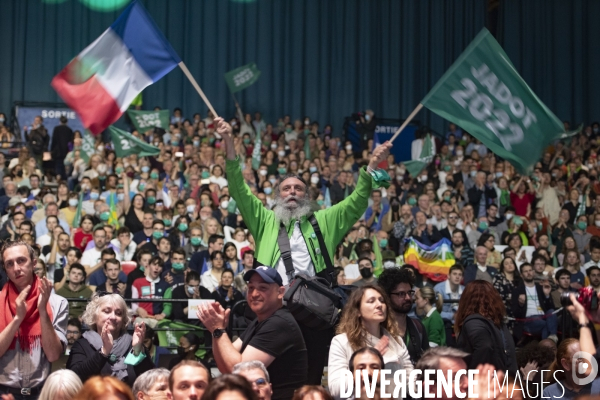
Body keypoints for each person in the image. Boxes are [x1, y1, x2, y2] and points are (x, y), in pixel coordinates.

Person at [219, 116, 392, 384]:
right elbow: (239, 189)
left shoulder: (325, 220)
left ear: (306, 196)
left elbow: (356, 202)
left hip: (314, 312)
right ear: (277, 195)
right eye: (286, 188)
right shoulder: (264, 219)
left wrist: (370, 167)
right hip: (273, 308)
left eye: (298, 188)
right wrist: (229, 142)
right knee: (261, 376)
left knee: (308, 376)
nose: (291, 192)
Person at [197, 266, 308, 400]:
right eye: (251, 288)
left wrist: (218, 330)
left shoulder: (279, 324)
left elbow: (239, 372)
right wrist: (216, 330)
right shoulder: (261, 321)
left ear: (280, 292)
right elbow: (224, 365)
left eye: (263, 288)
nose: (254, 294)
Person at [0, 240, 67, 399]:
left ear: (34, 263)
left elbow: (53, 355)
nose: (16, 268)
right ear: (5, 270)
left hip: (40, 393)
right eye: (9, 264)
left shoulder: (57, 303)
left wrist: (43, 311)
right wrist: (18, 319)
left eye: (21, 260)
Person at [328, 285, 413, 399]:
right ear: (357, 311)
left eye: (382, 301)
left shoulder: (396, 341)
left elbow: (412, 384)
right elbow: (335, 389)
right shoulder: (341, 342)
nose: (379, 305)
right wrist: (370, 359)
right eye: (371, 301)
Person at [66, 293, 154, 386]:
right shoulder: (82, 345)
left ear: (124, 320)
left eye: (118, 313)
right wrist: (103, 352)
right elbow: (74, 379)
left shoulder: (132, 344)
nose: (113, 317)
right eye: (107, 311)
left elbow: (150, 381)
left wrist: (137, 350)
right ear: (94, 316)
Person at [454, 280, 517, 374]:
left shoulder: (474, 322)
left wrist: (472, 375)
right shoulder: (498, 323)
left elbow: (484, 347)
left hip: (486, 382)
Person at [377, 267, 429, 365]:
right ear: (387, 296)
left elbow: (428, 362)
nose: (408, 298)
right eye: (401, 294)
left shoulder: (417, 327)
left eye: (410, 293)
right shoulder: (377, 327)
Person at [512, 263, 558, 342]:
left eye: (530, 270)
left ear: (533, 272)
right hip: (529, 320)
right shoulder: (517, 290)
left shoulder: (541, 288)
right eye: (526, 271)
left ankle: (548, 341)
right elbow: (516, 314)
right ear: (521, 275)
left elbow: (551, 308)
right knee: (546, 324)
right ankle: (551, 340)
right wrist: (521, 304)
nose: (529, 273)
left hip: (543, 317)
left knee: (551, 312)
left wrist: (547, 295)